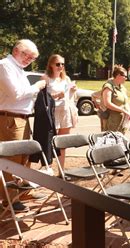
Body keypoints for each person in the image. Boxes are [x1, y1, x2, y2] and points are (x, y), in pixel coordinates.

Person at [0, 39, 46, 212]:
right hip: (10, 119)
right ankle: (9, 199)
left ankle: (21, 193)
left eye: (32, 59)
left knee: (23, 158)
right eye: (29, 56)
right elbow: (16, 95)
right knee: (11, 160)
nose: (30, 60)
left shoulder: (17, 68)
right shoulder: (5, 66)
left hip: (21, 118)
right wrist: (38, 86)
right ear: (18, 51)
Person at [41, 54, 78, 168]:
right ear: (51, 65)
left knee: (63, 143)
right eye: (57, 64)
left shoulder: (66, 79)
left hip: (65, 112)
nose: (60, 66)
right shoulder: (46, 78)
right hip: (53, 113)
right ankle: (48, 168)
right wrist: (57, 95)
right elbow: (41, 98)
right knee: (50, 142)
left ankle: (61, 170)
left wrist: (73, 90)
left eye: (62, 64)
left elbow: (71, 96)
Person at [101, 65, 130, 134]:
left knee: (120, 141)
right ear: (118, 75)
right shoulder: (108, 86)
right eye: (125, 76)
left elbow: (125, 102)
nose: (126, 78)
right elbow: (107, 103)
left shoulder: (122, 88)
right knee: (110, 141)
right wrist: (122, 110)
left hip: (122, 121)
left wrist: (128, 112)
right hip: (112, 121)